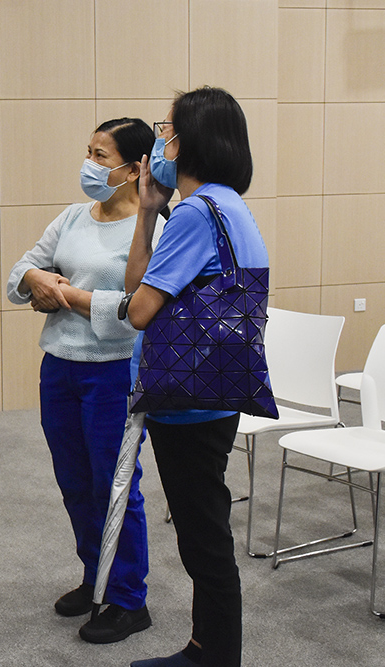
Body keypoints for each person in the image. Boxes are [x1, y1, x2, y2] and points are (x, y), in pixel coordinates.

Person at [121, 87, 268, 667]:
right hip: (216, 389)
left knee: (203, 537)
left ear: (191, 141)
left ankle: (215, 657)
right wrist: (147, 211)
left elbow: (137, 306)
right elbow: (144, 282)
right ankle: (204, 646)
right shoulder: (227, 204)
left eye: (167, 130)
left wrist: (158, 214)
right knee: (204, 525)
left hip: (188, 398)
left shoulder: (196, 213)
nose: (161, 140)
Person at [7, 118, 164, 644]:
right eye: (89, 153)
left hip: (113, 372)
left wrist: (68, 295)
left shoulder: (148, 231)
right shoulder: (73, 217)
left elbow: (133, 309)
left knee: (114, 483)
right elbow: (19, 272)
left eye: (102, 156)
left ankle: (127, 598)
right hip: (59, 366)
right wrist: (38, 280)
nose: (91, 165)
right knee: (74, 480)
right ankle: (95, 576)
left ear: (133, 169)